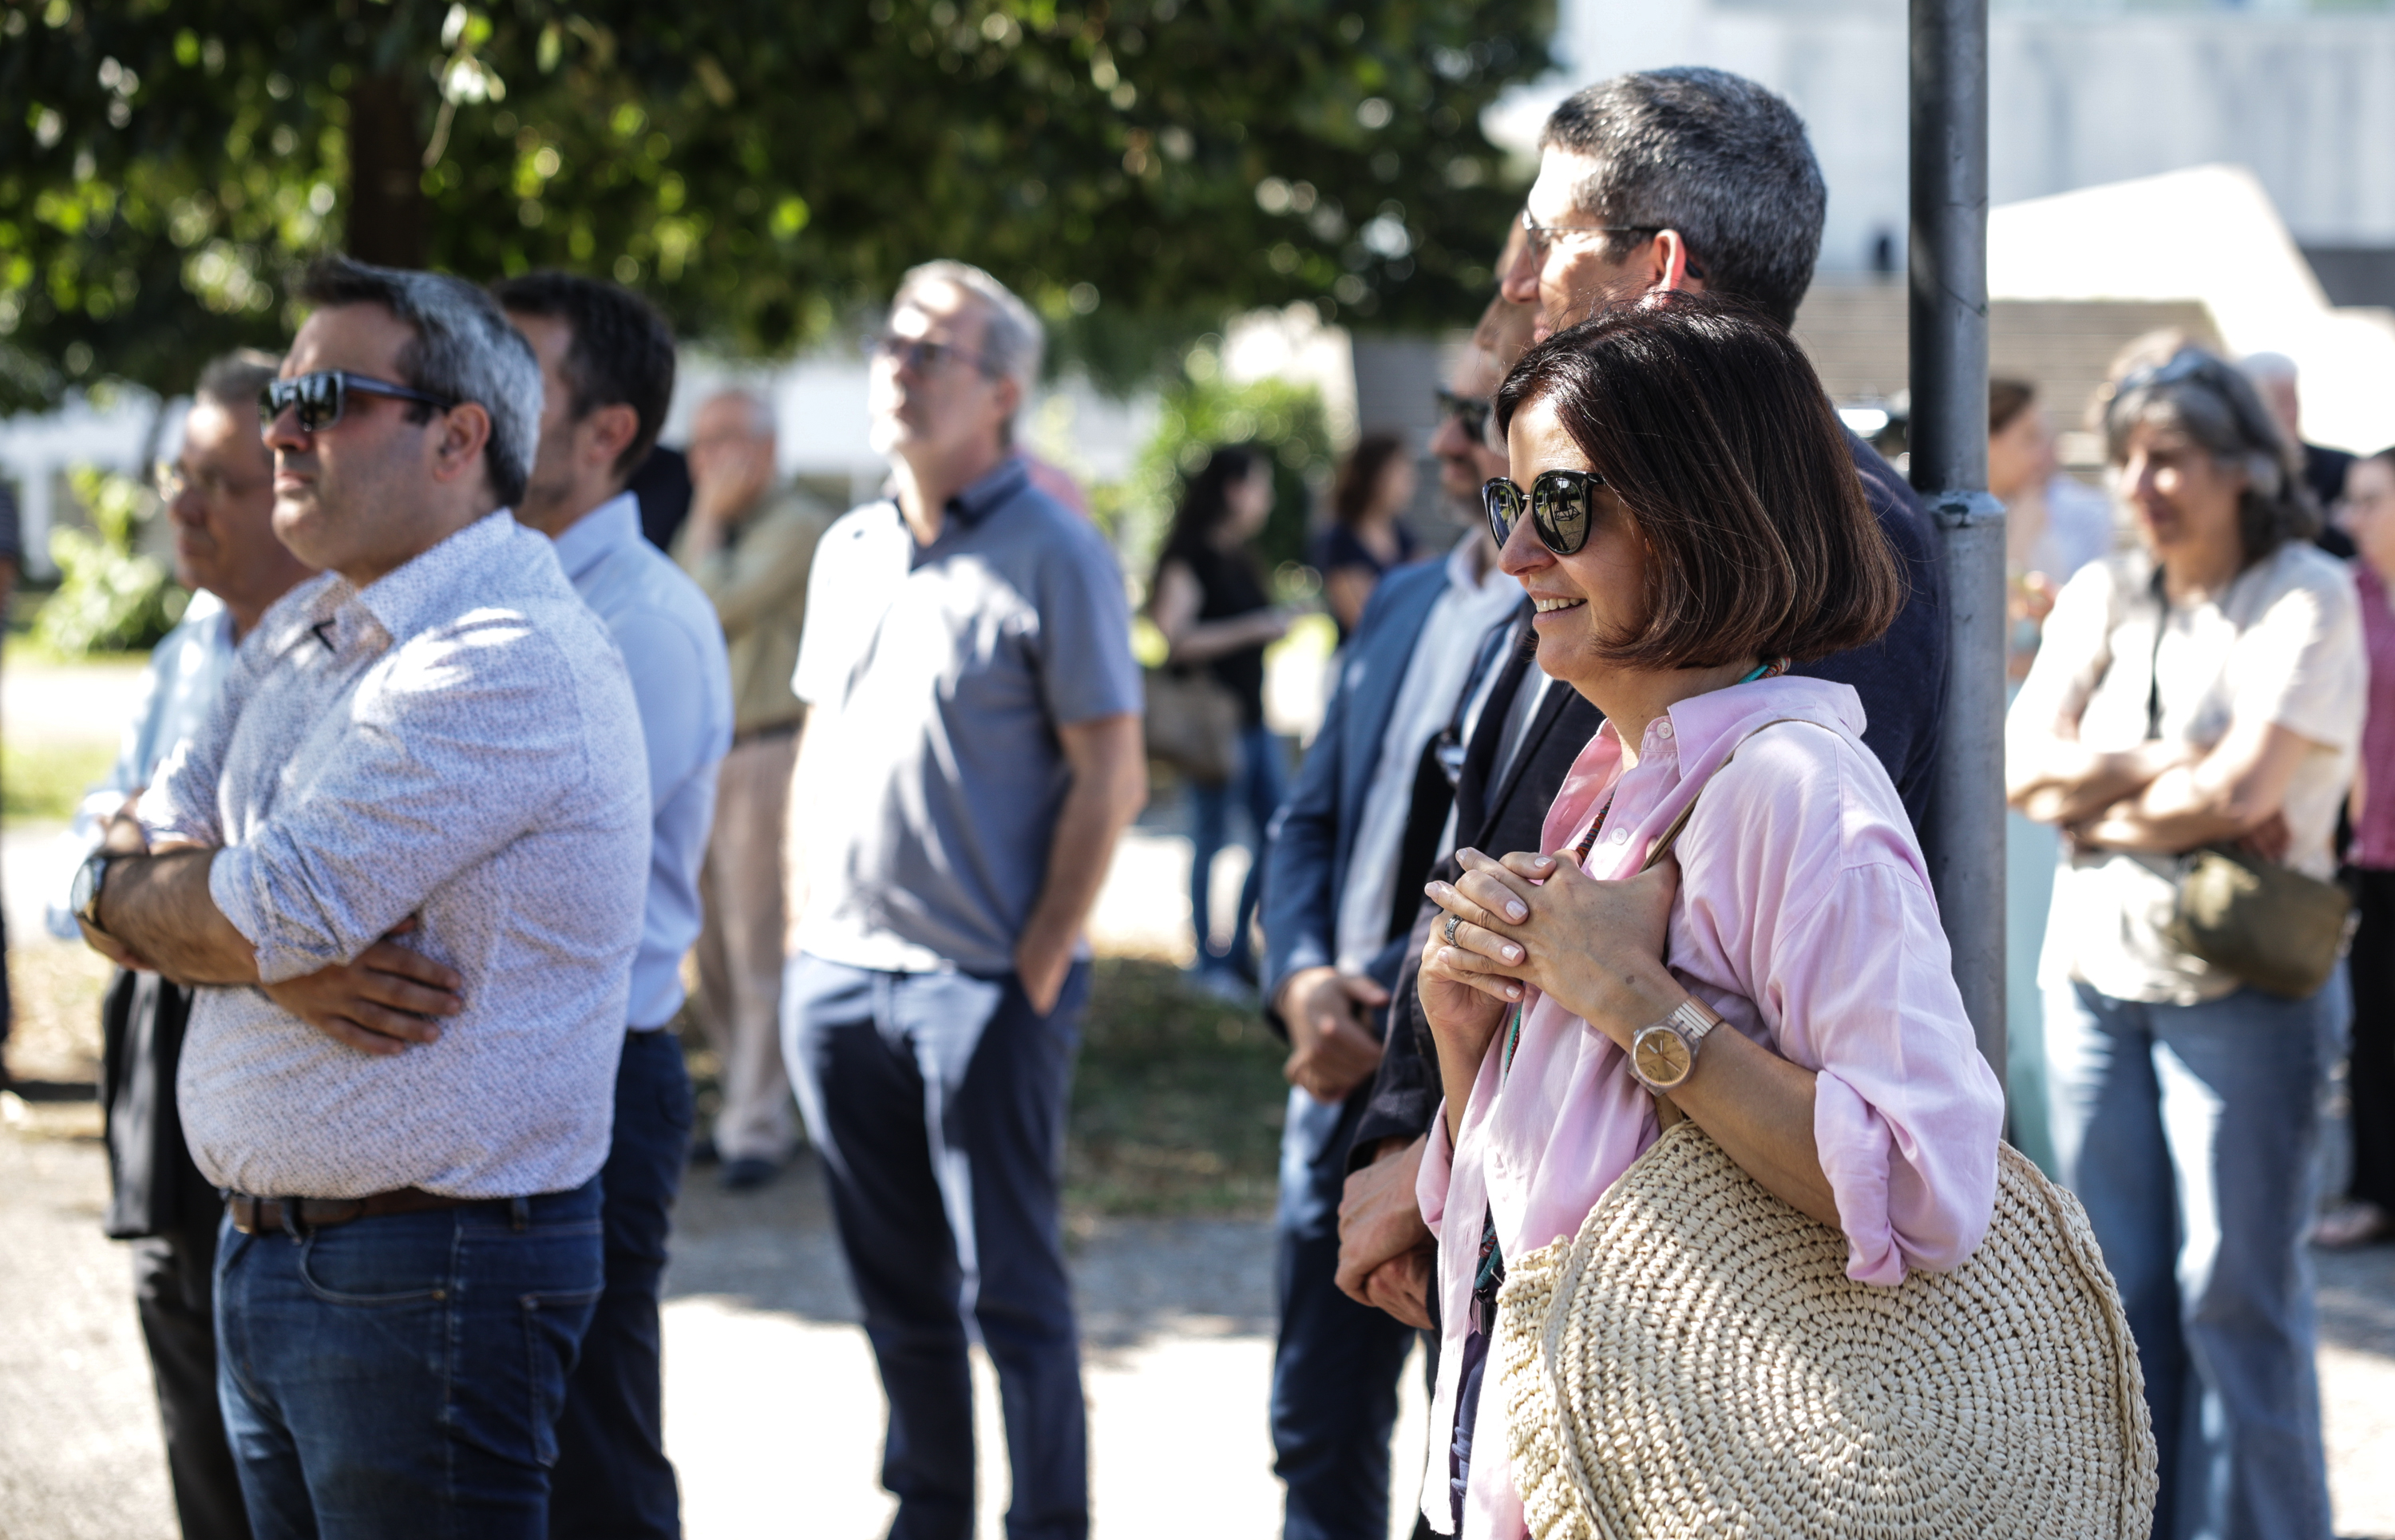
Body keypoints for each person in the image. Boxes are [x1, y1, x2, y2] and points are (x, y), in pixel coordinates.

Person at [71, 254, 651, 1537]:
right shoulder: (308, 626)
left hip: (425, 1275)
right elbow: (128, 859)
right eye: (282, 394)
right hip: (292, 1258)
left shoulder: (500, 656)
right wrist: (243, 936)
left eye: (325, 398)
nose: (282, 427)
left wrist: (195, 916)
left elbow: (227, 901)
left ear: (457, 437)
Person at [1418, 292, 2004, 1538]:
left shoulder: (1792, 790)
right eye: (1506, 506)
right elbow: (1546, 1203)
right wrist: (1472, 1044)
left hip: (1704, 1474)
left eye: (1562, 508)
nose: (1520, 554)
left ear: (1698, 515)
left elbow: (1923, 1180)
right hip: (1573, 1462)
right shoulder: (1624, 779)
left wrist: (1629, 998)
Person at [780, 259, 1146, 1540]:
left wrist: (1038, 958)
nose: (897, 362)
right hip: (839, 978)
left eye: (931, 348)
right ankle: (927, 1513)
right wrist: (797, 943)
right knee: (898, 1295)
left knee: (1014, 1296)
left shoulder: (1058, 551)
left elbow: (1114, 771)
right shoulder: (851, 545)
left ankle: (1048, 1522)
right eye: (892, 340)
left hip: (984, 987)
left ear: (1002, 391)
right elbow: (817, 749)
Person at [2008, 342, 2363, 1539]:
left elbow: (2247, 785)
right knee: (2123, 1299)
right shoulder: (2106, 591)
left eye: (2175, 459)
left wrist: (2095, 803)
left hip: (2245, 988)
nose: (2146, 483)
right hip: (2096, 980)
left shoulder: (2308, 591)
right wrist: (2171, 772)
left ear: (2244, 470)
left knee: (2237, 1300)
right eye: (2132, 460)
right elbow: (2018, 765)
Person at [1498, 66, 1949, 833]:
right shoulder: (1614, 469)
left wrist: (1557, 944)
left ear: (1660, 270)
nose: (1517, 281)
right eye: (1517, 506)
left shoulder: (1829, 519)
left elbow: (1787, 869)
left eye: (1548, 238)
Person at [1259, 311, 1524, 1540]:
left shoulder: (1559, 622)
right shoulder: (1406, 596)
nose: (1444, 444)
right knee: (1312, 1423)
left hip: (1458, 1084)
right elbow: (1308, 817)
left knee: (1459, 1454)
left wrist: (1383, 1010)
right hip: (1329, 1060)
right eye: (1449, 411)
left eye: (1474, 419)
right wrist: (1304, 979)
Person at [54, 350, 315, 1540]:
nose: (186, 504)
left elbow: (275, 907)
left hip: (289, 1083)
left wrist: (152, 880)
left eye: (224, 480)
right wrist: (151, 881)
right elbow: (99, 854)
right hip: (166, 1053)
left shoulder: (340, 655)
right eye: (180, 473)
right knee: (178, 1336)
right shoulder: (189, 646)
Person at [495, 271, 734, 1540]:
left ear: (608, 435)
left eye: (514, 376)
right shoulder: (496, 588)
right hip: (518, 1072)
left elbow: (519, 881)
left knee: (592, 1460)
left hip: (597, 1075)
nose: (467, 403)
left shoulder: (640, 622)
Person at [672, 389, 832, 1190]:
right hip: (704, 757)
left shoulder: (796, 524)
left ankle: (758, 1125)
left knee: (758, 941)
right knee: (711, 953)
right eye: (699, 444)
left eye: (723, 440)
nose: (708, 459)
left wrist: (703, 514)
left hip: (768, 751)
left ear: (764, 446)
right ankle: (746, 1099)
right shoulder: (717, 526)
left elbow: (701, 607)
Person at [1149, 445, 1291, 989]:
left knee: (1276, 835)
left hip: (1254, 719)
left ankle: (1234, 953)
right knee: (1210, 839)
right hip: (1212, 726)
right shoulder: (1192, 555)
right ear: (1233, 489)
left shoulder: (1238, 553)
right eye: (1260, 484)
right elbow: (1174, 638)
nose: (1267, 498)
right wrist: (1257, 627)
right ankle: (1206, 965)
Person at [2318, 445, 2395, 1250]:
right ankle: (2378, 1193)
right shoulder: (2344, 596)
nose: (2352, 518)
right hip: (2368, 852)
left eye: (2371, 501)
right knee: (2373, 1030)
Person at [2241, 350, 2357, 556]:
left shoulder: (2344, 468)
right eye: (2278, 403)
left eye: (2292, 400)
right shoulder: (2238, 481)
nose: (2290, 413)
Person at [1316, 433, 1420, 643]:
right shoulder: (1339, 540)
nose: (1410, 481)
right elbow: (1363, 620)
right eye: (1399, 472)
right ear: (1373, 476)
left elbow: (1433, 586)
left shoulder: (1401, 531)